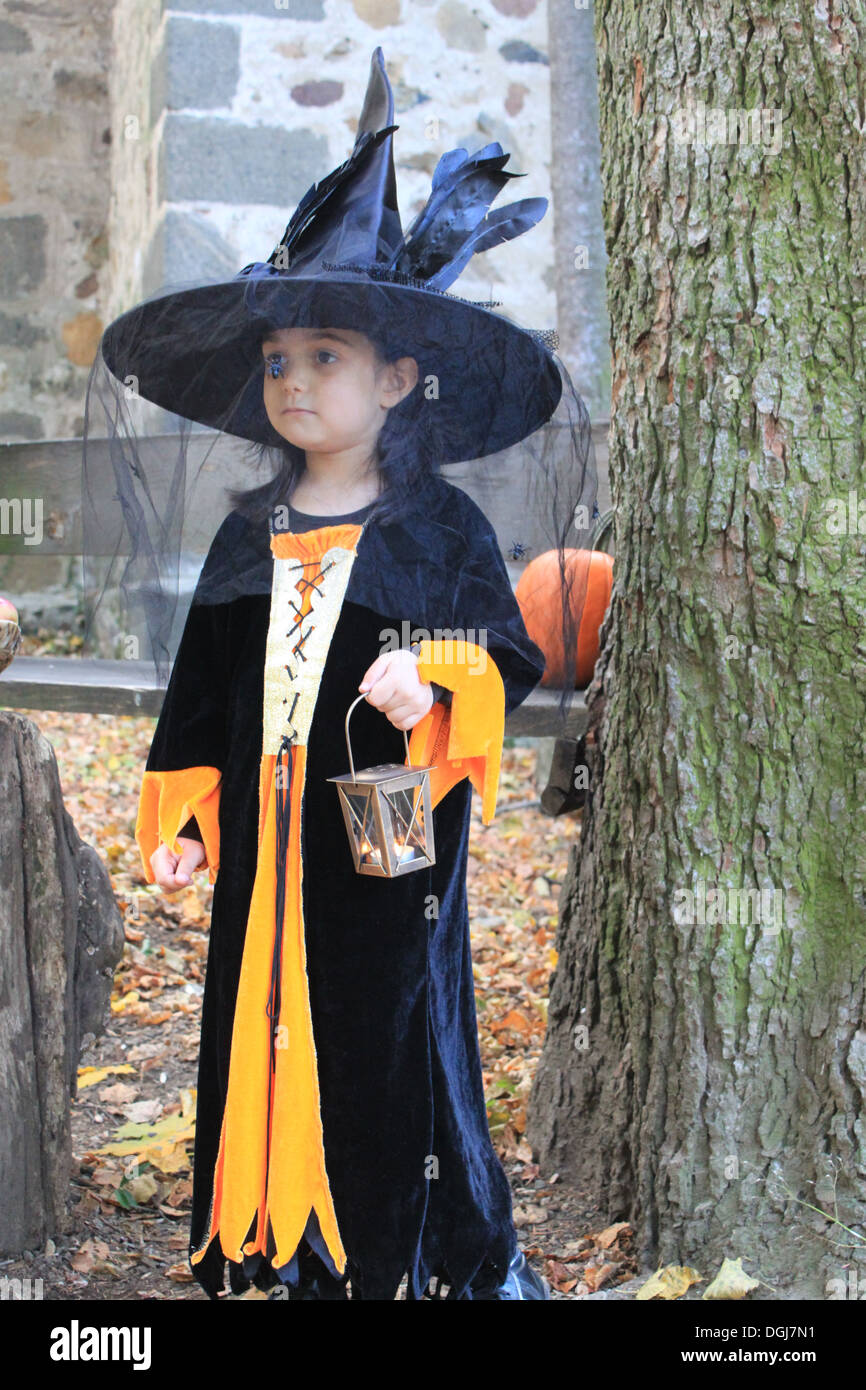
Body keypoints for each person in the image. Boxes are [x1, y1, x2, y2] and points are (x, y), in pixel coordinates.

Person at [83, 47, 597, 1300]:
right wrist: (183, 812)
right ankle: (266, 1229)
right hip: (265, 843)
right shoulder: (247, 533)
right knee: (254, 1006)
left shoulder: (436, 530)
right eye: (278, 362)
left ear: (397, 379)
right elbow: (201, 689)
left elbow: (504, 649)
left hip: (387, 850)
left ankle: (392, 1250)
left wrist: (436, 684)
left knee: (383, 1030)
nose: (294, 381)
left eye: (324, 357)